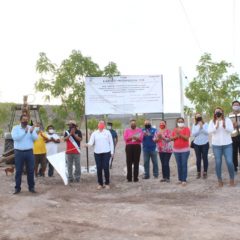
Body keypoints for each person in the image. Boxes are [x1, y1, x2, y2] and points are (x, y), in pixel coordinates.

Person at [11, 115, 38, 194]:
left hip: (29, 152)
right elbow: (15, 138)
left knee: (30, 170)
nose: (25, 121)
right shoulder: (15, 128)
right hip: (19, 152)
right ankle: (17, 188)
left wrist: (32, 132)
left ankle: (31, 187)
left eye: (26, 120)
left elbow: (35, 139)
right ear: (20, 120)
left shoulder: (30, 128)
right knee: (19, 171)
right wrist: (25, 132)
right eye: (23, 120)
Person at [208, 107, 235, 187]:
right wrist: (215, 127)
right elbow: (209, 131)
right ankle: (219, 179)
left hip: (227, 144)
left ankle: (232, 178)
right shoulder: (212, 121)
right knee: (218, 162)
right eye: (216, 112)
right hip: (216, 145)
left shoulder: (227, 120)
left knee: (229, 162)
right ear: (214, 113)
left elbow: (231, 130)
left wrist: (225, 126)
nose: (218, 113)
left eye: (219, 111)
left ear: (222, 112)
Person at [86, 121, 114, 190]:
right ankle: (100, 183)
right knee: (99, 168)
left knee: (106, 167)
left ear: (104, 125)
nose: (101, 125)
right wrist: (87, 144)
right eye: (99, 124)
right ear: (98, 125)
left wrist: (112, 152)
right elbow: (91, 142)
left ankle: (107, 183)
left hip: (106, 152)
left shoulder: (107, 132)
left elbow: (111, 142)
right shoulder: (94, 133)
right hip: (97, 153)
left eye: (102, 124)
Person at [171, 117, 191, 186]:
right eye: (179, 121)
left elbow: (187, 138)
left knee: (184, 164)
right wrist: (176, 136)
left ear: (183, 122)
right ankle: (180, 179)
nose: (180, 122)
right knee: (179, 165)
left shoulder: (186, 129)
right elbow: (172, 138)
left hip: (185, 150)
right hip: (176, 150)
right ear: (177, 122)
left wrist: (180, 134)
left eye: (181, 121)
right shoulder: (175, 129)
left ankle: (184, 180)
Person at [191, 113, 209, 179]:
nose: (198, 117)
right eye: (197, 116)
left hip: (205, 143)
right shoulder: (194, 125)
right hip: (196, 144)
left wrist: (202, 127)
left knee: (205, 158)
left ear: (201, 117)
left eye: (199, 116)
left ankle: (205, 172)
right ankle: (198, 172)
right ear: (195, 118)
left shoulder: (206, 124)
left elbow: (207, 133)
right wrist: (199, 128)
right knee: (198, 159)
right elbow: (194, 134)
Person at [229, 100, 240, 172]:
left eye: (237, 105)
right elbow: (227, 124)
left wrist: (238, 124)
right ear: (232, 106)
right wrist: (232, 125)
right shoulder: (229, 115)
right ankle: (235, 166)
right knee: (234, 152)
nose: (236, 106)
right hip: (233, 136)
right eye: (234, 105)